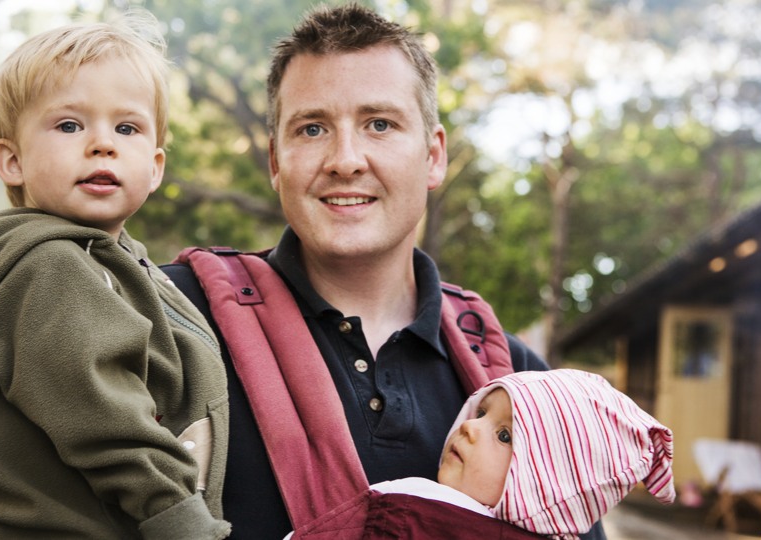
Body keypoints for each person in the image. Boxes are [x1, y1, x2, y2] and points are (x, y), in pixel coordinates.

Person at [162, 3, 604, 539]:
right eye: (312, 128)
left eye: (379, 124)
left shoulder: (515, 383)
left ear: (433, 156)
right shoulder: (169, 319)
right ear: (276, 162)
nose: (345, 159)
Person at [0, 11, 230, 540]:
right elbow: (108, 422)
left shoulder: (111, 262)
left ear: (155, 167)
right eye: (69, 125)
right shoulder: (49, 269)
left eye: (126, 127)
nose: (102, 143)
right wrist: (183, 523)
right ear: (12, 161)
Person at [356, 369, 675, 539]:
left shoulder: (423, 516)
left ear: (548, 484)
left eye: (504, 435)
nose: (469, 426)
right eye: (480, 412)